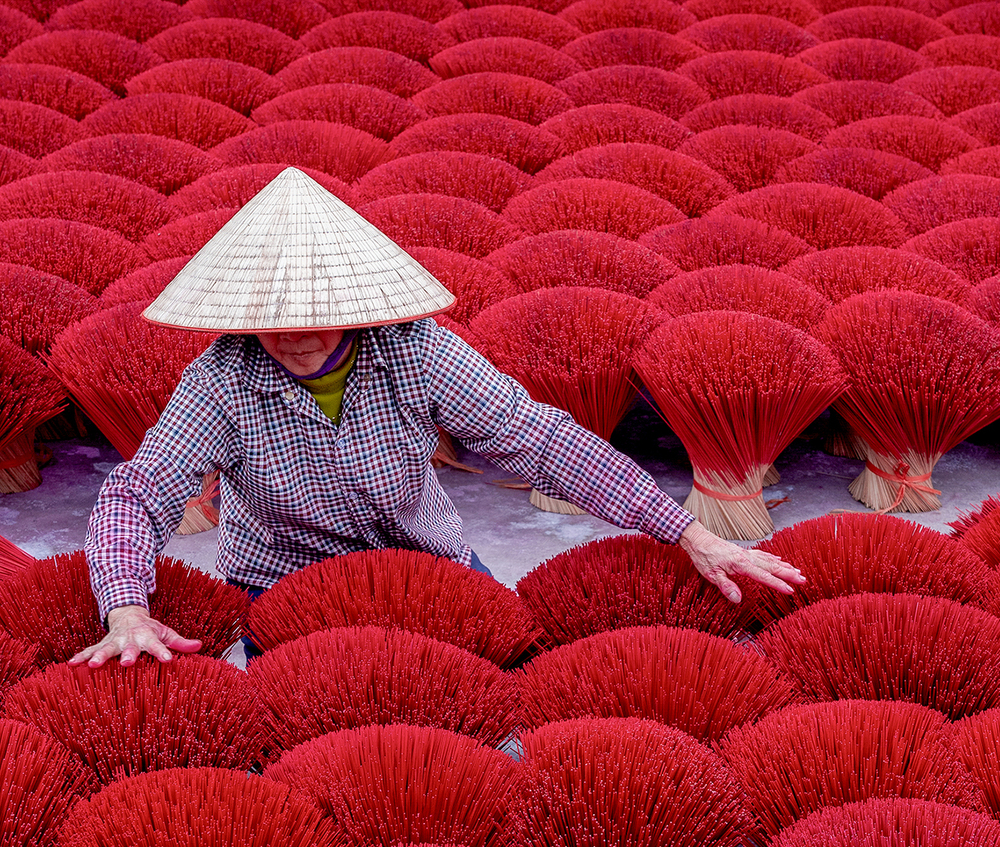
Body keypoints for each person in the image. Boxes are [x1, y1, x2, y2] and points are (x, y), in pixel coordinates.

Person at [74, 168, 803, 667]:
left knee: (514, 684)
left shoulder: (419, 352)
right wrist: (125, 609)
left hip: (429, 558)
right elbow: (141, 492)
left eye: (317, 317)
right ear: (242, 318)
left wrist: (690, 532)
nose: (296, 335)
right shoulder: (221, 380)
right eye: (273, 321)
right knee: (302, 736)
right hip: (281, 582)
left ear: (359, 306)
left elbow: (540, 441)